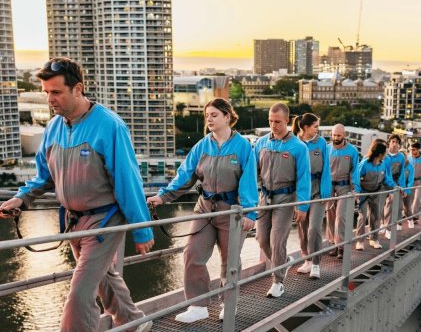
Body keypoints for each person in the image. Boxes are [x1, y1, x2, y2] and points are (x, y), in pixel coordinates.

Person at [0, 57, 153, 332]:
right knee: (103, 278)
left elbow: (128, 182)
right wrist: (22, 198)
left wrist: (142, 231)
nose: (50, 99)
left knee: (80, 294)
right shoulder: (54, 128)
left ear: (78, 88)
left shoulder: (109, 125)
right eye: (47, 93)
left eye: (56, 92)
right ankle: (134, 321)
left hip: (105, 221)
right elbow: (44, 177)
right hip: (74, 222)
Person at [146, 98, 258, 323]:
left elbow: (249, 181)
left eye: (214, 115)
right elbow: (185, 175)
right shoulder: (201, 146)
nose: (209, 119)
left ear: (227, 117)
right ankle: (198, 305)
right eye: (207, 115)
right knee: (192, 254)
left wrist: (250, 213)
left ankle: (229, 304)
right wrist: (163, 196)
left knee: (230, 262)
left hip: (232, 212)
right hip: (205, 209)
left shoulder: (243, 146)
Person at [255, 103, 311, 298]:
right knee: (262, 239)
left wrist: (302, 205)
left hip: (285, 199)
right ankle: (284, 261)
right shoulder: (261, 143)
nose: (273, 125)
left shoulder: (298, 147)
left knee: (277, 240)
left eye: (277, 121)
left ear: (287, 121)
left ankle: (278, 281)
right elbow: (252, 172)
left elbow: (304, 178)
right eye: (270, 121)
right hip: (264, 197)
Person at [291, 113, 332, 279]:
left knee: (314, 228)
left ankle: (316, 263)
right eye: (315, 126)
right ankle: (306, 259)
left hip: (317, 190)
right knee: (302, 227)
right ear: (306, 127)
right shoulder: (294, 143)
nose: (318, 129)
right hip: (301, 191)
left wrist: (326, 192)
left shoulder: (321, 142)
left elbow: (327, 168)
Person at [326, 124, 360, 258]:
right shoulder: (327, 149)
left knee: (341, 217)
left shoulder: (352, 151)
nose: (335, 138)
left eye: (338, 135)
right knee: (330, 217)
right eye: (334, 135)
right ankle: (333, 244)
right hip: (329, 188)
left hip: (344, 188)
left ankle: (341, 247)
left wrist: (356, 189)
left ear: (344, 135)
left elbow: (355, 170)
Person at [355, 139, 396, 250]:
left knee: (375, 216)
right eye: (385, 153)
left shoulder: (382, 164)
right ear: (380, 154)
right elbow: (356, 178)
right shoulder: (365, 164)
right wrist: (357, 193)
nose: (386, 155)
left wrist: (395, 187)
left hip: (376, 192)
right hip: (364, 193)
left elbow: (386, 178)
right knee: (362, 216)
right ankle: (360, 241)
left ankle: (374, 239)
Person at [381, 134, 414, 238]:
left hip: (395, 183)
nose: (394, 144)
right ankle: (382, 224)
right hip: (382, 182)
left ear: (399, 145)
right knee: (380, 205)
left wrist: (402, 188)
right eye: (393, 141)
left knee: (393, 204)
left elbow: (402, 175)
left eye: (397, 142)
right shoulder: (383, 155)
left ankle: (388, 228)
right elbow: (382, 171)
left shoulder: (401, 157)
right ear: (389, 143)